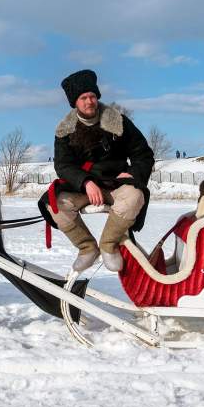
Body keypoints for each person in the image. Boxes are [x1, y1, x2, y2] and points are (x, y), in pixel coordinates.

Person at [39, 69, 154, 272]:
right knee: (54, 204)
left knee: (135, 197)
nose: (89, 101)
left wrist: (134, 174)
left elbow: (143, 154)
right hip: (83, 188)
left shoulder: (118, 122)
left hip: (116, 184)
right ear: (75, 102)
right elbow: (63, 165)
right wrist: (85, 182)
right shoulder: (64, 130)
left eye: (92, 96)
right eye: (83, 97)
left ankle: (108, 245)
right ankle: (87, 248)